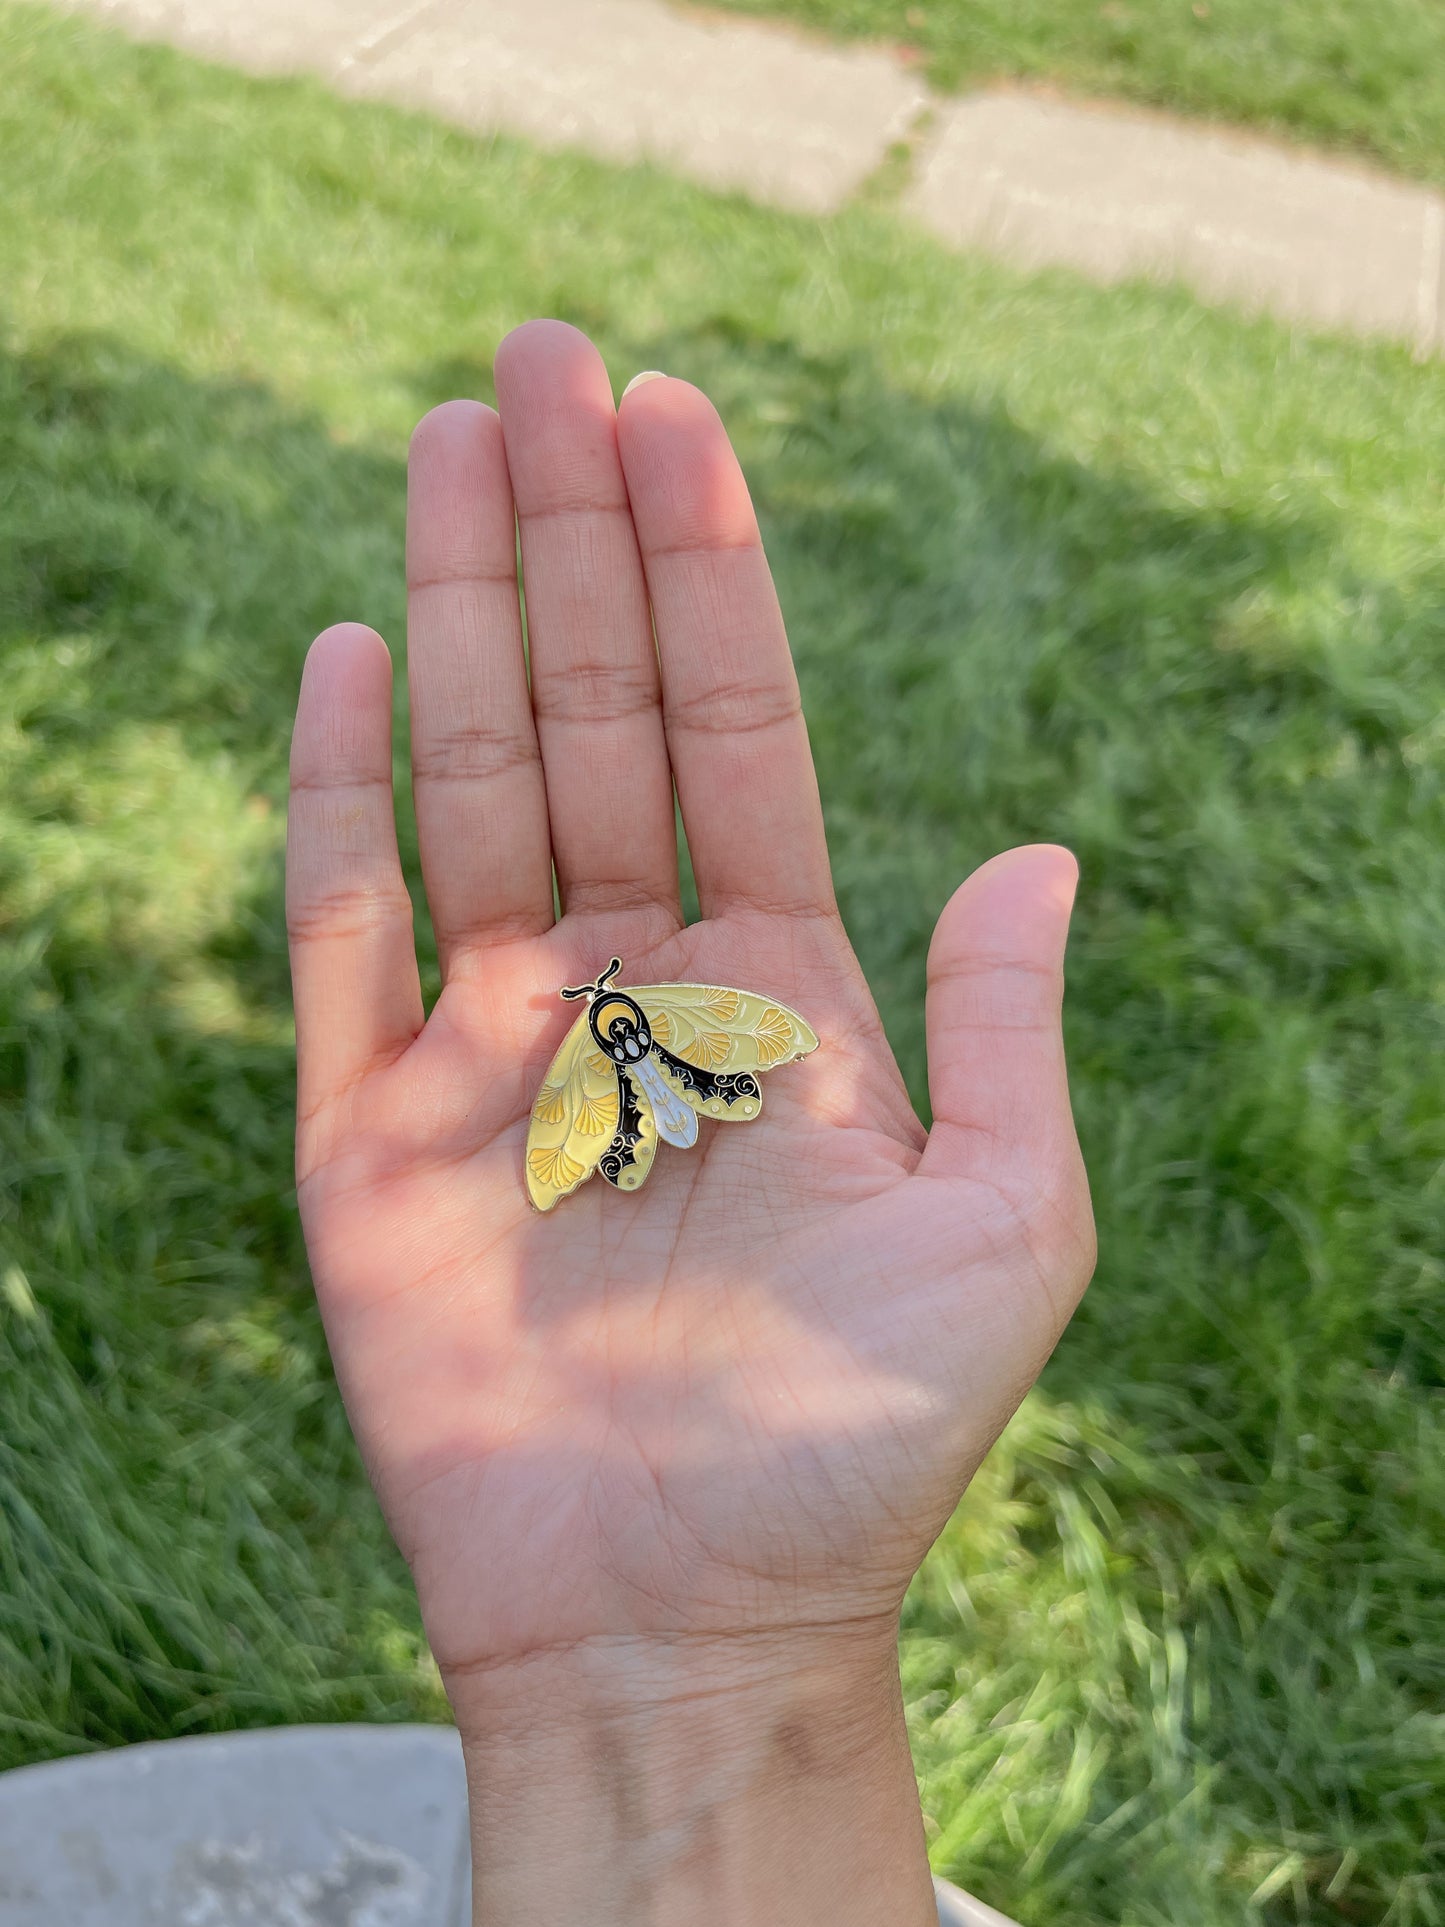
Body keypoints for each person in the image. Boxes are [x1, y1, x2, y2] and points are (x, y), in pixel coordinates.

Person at [285, 318, 1096, 1925]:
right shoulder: (626, 1048)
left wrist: (738, 1651)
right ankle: (672, 1088)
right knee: (686, 1081)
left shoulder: (617, 1047)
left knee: (681, 1082)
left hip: (648, 1073)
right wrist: (716, 1672)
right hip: (660, 1067)